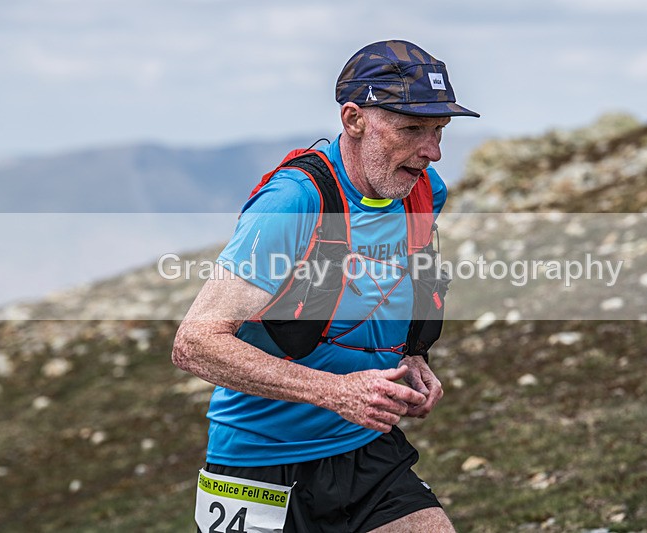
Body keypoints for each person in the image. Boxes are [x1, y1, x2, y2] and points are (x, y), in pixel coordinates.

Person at [173, 39, 478, 533]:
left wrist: (412, 359)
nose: (432, 151)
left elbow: (382, 295)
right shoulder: (294, 202)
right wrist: (336, 392)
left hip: (363, 453)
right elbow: (195, 344)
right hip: (258, 465)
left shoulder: (421, 190)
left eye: (439, 130)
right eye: (413, 129)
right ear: (354, 120)